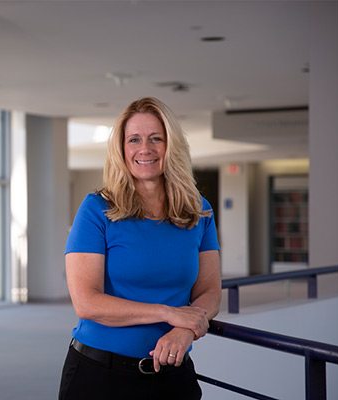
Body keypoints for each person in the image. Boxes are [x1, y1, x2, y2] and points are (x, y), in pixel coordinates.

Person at [58, 97, 221, 400]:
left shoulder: (199, 211)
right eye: (134, 139)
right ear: (121, 149)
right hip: (100, 377)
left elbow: (210, 291)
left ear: (171, 145)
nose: (144, 148)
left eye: (156, 138)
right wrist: (169, 314)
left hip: (172, 376)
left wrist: (185, 330)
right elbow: (87, 302)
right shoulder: (97, 209)